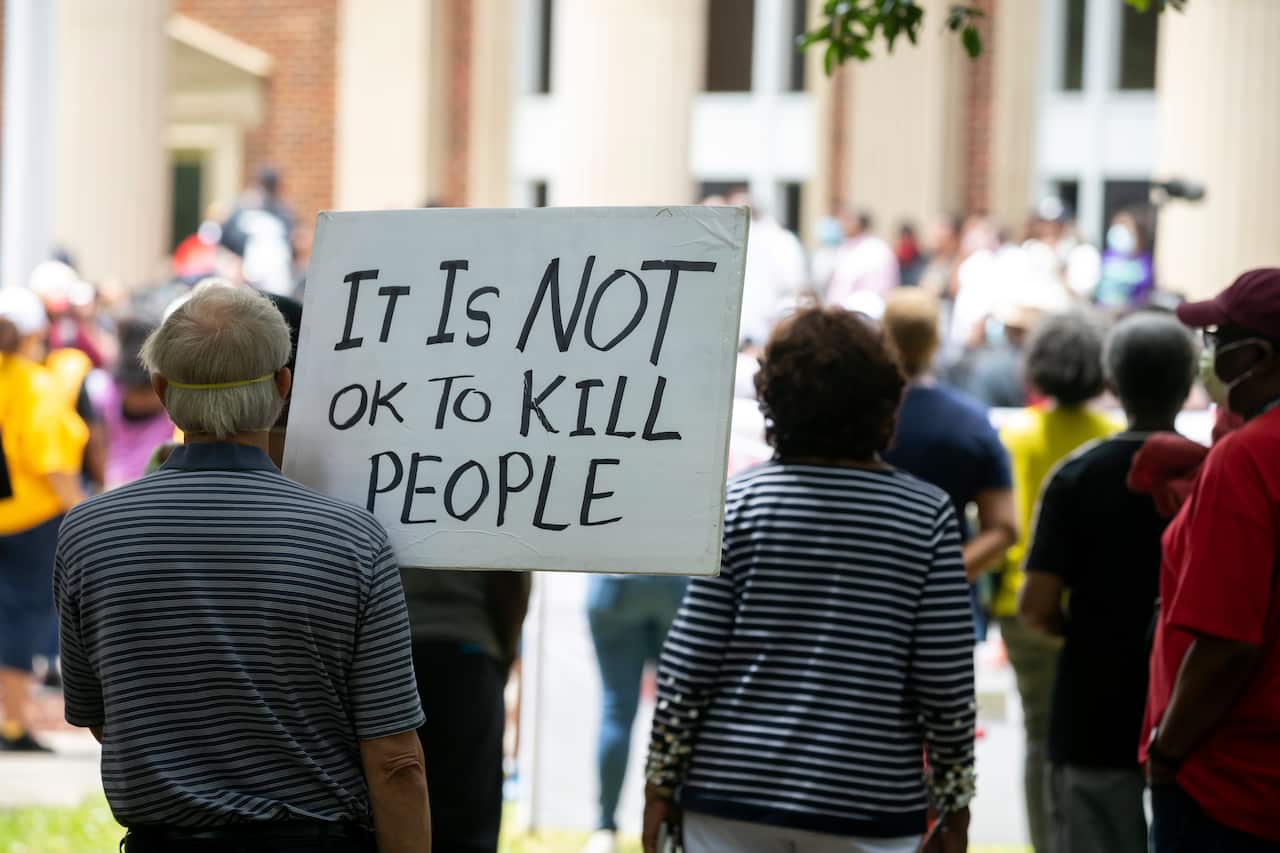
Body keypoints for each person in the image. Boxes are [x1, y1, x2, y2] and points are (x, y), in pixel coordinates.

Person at [53, 283, 429, 852]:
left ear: (161, 390)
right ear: (284, 384)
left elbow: (101, 715)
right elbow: (396, 760)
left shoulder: (91, 533)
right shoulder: (352, 541)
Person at [642, 306, 975, 853]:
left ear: (775, 398)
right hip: (871, 811)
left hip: (730, 800)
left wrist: (660, 785)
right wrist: (955, 804)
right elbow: (945, 685)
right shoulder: (927, 515)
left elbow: (688, 665)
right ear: (887, 400)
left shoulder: (739, 504)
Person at [1018, 312, 1197, 853]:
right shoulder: (1210, 471)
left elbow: (1037, 604)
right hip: (1194, 707)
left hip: (1093, 706)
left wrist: (1083, 628)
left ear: (1111, 384)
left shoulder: (1077, 476)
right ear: (1189, 384)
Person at [1142, 268, 1280, 851]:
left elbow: (1227, 644)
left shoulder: (1247, 458)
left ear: (1260, 355)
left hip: (1229, 784)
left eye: (1219, 339)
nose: (1210, 355)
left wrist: (1167, 752)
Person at [994, 309, 1118, 853]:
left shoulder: (1014, 434)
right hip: (1097, 607)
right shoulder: (1112, 436)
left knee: (1039, 733)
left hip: (1020, 605)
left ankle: (1044, 842)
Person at [882, 289, 1018, 641]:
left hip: (865, 599)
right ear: (936, 341)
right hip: (947, 610)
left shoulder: (863, 419)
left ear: (883, 337)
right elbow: (1003, 528)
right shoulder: (971, 422)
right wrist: (940, 576)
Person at [0, 287, 88, 751]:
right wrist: (83, 512)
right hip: (29, 520)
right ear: (36, 331)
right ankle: (13, 723)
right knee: (18, 620)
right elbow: (52, 460)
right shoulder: (34, 384)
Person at [401, 569, 530, 853]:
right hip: (471, 649)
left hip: (395, 648)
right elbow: (512, 578)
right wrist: (503, 652)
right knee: (468, 818)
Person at [584, 573, 688, 853]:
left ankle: (604, 829)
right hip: (674, 577)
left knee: (615, 709)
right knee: (679, 711)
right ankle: (676, 824)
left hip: (613, 582)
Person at [92, 318, 175, 489]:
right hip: (115, 487)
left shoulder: (174, 406)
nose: (141, 399)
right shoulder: (105, 394)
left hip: (159, 487)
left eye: (147, 390)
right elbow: (98, 445)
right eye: (135, 389)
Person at [725, 190, 807, 348]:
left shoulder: (782, 240)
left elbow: (793, 284)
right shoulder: (736, 240)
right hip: (743, 326)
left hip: (768, 325)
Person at [221, 166, 297, 297]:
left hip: (276, 277)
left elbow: (292, 242)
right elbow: (226, 239)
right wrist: (236, 264)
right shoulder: (242, 209)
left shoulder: (281, 211)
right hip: (249, 275)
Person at [825, 208, 900, 306]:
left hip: (863, 312)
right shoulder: (845, 247)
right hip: (840, 313)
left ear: (859, 223)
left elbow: (878, 290)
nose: (842, 224)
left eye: (848, 220)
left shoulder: (877, 250)